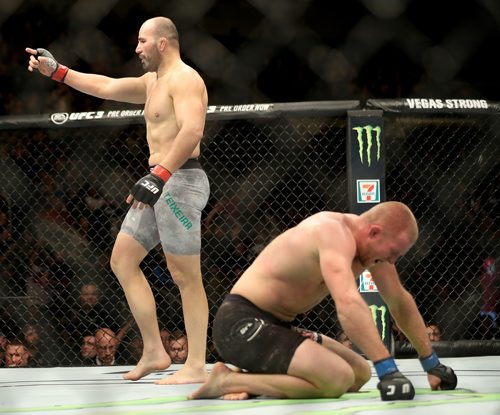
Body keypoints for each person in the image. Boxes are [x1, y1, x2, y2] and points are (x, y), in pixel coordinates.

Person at [26, 16, 210, 384]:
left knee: (185, 275)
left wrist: (160, 176)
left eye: (142, 41)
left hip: (181, 180)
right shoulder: (153, 82)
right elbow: (107, 86)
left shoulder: (185, 79)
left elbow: (193, 130)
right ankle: (155, 350)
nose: (137, 49)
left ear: (163, 43)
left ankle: (195, 365)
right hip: (157, 181)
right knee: (123, 259)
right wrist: (58, 71)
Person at [189, 202, 457, 401]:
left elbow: (399, 301)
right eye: (394, 252)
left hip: (279, 328)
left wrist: (431, 363)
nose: (393, 260)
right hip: (240, 325)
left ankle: (251, 380)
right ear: (374, 232)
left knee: (360, 373)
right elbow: (348, 303)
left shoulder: (373, 252)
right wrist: (388, 369)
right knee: (336, 378)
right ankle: (227, 380)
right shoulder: (331, 232)